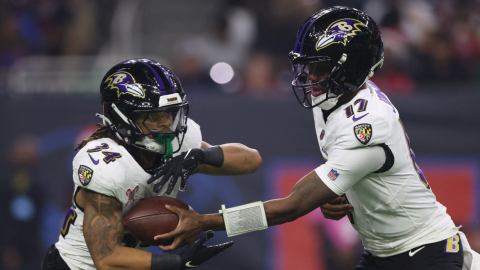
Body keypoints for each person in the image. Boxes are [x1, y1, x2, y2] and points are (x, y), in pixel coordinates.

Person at [151, 6, 480, 270]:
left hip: (426, 254)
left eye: (318, 67)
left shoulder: (368, 123)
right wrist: (340, 192)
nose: (308, 76)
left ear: (350, 68)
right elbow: (340, 170)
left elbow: (291, 207)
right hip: (385, 252)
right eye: (306, 66)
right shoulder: (334, 96)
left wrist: (205, 221)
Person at [41, 58, 263, 270]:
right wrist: (176, 262)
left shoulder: (176, 144)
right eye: (153, 116)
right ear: (121, 117)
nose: (166, 123)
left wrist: (200, 156)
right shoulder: (106, 166)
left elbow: (251, 160)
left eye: (169, 112)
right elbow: (107, 259)